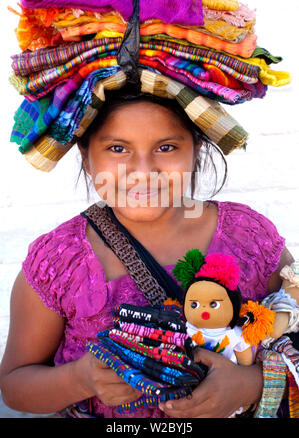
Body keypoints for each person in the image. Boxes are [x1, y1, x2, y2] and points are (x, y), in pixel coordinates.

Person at [0, 89, 294, 418]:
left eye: (166, 147)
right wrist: (81, 379)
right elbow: (14, 387)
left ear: (196, 149)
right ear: (85, 155)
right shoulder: (58, 261)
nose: (142, 170)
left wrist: (251, 384)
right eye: (117, 148)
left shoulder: (249, 238)